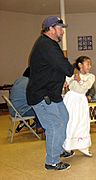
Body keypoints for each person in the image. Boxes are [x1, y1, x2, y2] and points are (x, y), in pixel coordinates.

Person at [26, 16, 74, 171]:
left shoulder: (48, 44)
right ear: (51, 29)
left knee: (64, 118)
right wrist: (70, 68)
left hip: (51, 93)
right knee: (55, 125)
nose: (62, 32)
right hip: (42, 95)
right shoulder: (46, 46)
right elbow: (66, 68)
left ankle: (58, 149)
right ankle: (52, 161)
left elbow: (55, 68)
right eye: (60, 28)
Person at [63, 56, 95, 157]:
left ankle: (83, 146)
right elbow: (65, 82)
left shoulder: (91, 76)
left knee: (82, 123)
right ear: (80, 65)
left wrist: (79, 80)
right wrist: (66, 82)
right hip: (71, 99)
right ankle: (67, 147)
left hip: (81, 100)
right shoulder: (73, 74)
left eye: (90, 64)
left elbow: (86, 87)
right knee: (71, 122)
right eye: (87, 64)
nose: (90, 66)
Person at [9, 67, 43, 133]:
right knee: (42, 108)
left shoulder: (19, 80)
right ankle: (40, 127)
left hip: (14, 110)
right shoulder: (29, 83)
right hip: (21, 111)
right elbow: (37, 98)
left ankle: (39, 125)